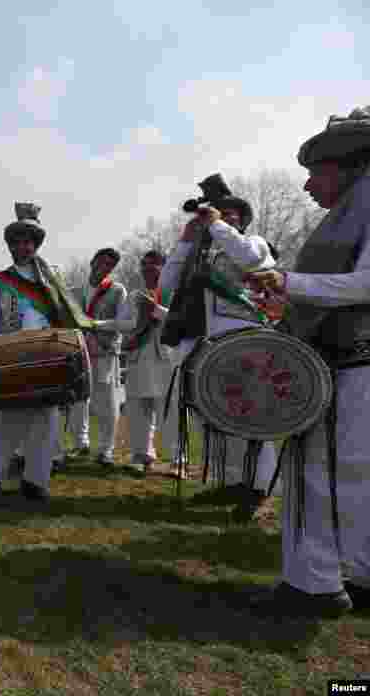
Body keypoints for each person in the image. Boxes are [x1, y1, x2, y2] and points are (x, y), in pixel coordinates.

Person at [246, 106, 370, 618]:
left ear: (350, 166)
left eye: (315, 172)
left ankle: (314, 585)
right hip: (348, 365)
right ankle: (358, 575)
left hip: (348, 367)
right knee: (352, 476)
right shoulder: (354, 212)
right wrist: (287, 299)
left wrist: (291, 283)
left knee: (318, 474)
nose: (308, 186)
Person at [159, 183, 278, 519]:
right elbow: (165, 285)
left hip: (240, 338)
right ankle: (232, 482)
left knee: (251, 413)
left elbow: (252, 260)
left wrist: (216, 224)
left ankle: (259, 487)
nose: (222, 217)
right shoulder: (198, 251)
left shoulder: (253, 243)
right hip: (199, 341)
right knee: (211, 416)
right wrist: (185, 240)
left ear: (241, 220)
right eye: (218, 211)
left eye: (231, 214)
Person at [0, 203, 94, 503]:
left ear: (36, 245)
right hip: (12, 355)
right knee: (6, 422)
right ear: (11, 247)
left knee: (46, 423)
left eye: (29, 242)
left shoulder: (52, 279)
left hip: (48, 354)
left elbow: (67, 314)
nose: (24, 247)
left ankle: (35, 481)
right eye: (18, 242)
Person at [106, 250, 180, 474]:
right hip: (138, 356)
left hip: (165, 358)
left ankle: (178, 458)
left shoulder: (175, 293)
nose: (148, 268)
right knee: (138, 410)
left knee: (168, 411)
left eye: (154, 264)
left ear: (165, 268)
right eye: (144, 264)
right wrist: (98, 324)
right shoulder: (135, 295)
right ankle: (141, 454)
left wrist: (155, 309)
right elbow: (126, 324)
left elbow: (181, 321)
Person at [68, 248, 129, 467]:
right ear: (92, 262)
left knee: (107, 404)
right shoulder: (74, 292)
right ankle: (80, 443)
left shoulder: (117, 290)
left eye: (109, 265)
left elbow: (123, 322)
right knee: (78, 401)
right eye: (101, 262)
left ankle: (105, 450)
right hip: (78, 352)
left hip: (104, 352)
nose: (104, 267)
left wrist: (96, 324)